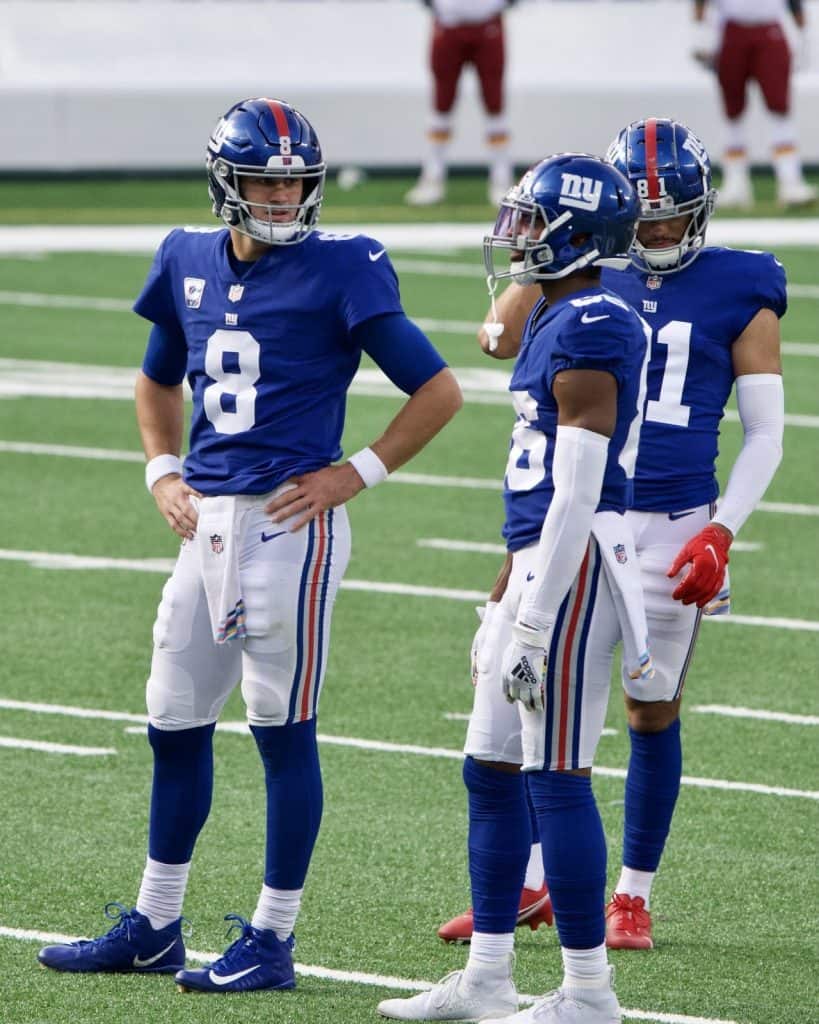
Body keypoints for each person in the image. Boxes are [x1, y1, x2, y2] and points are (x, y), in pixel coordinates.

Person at [37, 96, 462, 994]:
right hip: (206, 527)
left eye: (295, 181)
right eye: (266, 182)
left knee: (280, 730)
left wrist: (359, 471)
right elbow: (156, 379)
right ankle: (155, 923)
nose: (284, 198)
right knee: (172, 721)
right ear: (226, 183)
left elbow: (437, 389)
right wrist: (161, 470)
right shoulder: (184, 253)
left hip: (287, 528)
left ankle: (273, 938)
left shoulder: (344, 267)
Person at [437, 117, 786, 953]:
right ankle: (529, 885)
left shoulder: (743, 282)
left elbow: (765, 431)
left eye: (674, 215)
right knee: (532, 706)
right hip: (572, 512)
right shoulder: (587, 272)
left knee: (648, 706)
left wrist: (723, 531)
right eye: (645, 215)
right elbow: (495, 338)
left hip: (670, 522)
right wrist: (556, 237)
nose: (659, 232)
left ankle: (631, 893)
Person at [378, 152, 651, 1024]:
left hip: (576, 573)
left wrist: (536, 614)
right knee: (489, 768)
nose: (515, 234)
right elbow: (539, 490)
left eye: (531, 220)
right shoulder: (554, 309)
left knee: (556, 775)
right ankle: (488, 979)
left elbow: (577, 490)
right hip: (539, 561)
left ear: (575, 231)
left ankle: (587, 994)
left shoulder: (593, 322)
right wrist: (507, 584)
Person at [692, 0, 817, 207]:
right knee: (733, 111)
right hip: (731, 29)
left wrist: (803, 35)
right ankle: (736, 182)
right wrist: (699, 33)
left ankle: (790, 180)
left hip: (769, 28)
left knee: (779, 108)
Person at [406, 0, 516, 207]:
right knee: (441, 106)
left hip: (488, 22)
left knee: (495, 106)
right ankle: (432, 178)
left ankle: (502, 179)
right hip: (448, 23)